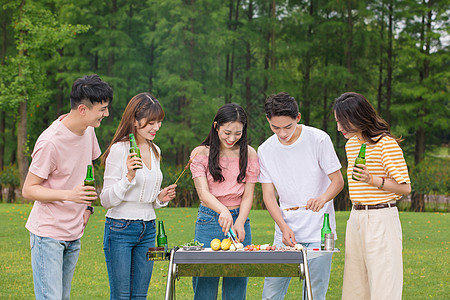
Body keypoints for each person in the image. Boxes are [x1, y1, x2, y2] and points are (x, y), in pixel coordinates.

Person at [22, 74, 113, 300]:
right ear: (82, 109)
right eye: (102, 109)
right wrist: (70, 196)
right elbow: (28, 189)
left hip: (74, 232)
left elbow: (85, 172)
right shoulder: (50, 142)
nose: (107, 114)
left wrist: (88, 207)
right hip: (48, 234)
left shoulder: (88, 130)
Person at [258, 92, 344, 300]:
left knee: (314, 296)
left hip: (320, 233)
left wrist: (322, 199)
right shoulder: (265, 150)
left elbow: (338, 181)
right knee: (270, 295)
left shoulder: (319, 139)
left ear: (298, 117)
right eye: (275, 127)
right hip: (284, 233)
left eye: (287, 127)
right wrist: (283, 227)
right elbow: (269, 197)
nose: (282, 133)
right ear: (268, 120)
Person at [333, 92, 411, 300]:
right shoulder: (351, 145)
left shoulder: (386, 144)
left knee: (384, 284)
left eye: (342, 122)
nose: (339, 128)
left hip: (381, 218)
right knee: (355, 287)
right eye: (337, 122)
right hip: (356, 217)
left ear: (357, 117)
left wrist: (373, 180)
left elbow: (405, 187)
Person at [100, 92, 177, 299]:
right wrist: (128, 177)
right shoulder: (119, 150)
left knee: (140, 296)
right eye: (151, 122)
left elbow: (148, 199)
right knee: (122, 296)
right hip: (120, 229)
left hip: (148, 229)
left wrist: (160, 198)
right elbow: (106, 200)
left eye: (159, 122)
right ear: (135, 120)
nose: (156, 127)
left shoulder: (155, 150)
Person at [189, 103, 259, 300]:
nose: (231, 138)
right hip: (209, 219)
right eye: (227, 132)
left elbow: (247, 195)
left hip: (240, 219)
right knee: (205, 284)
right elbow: (203, 193)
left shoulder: (250, 154)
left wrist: (239, 221)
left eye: (237, 133)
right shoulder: (200, 153)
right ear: (216, 126)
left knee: (237, 283)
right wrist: (223, 211)